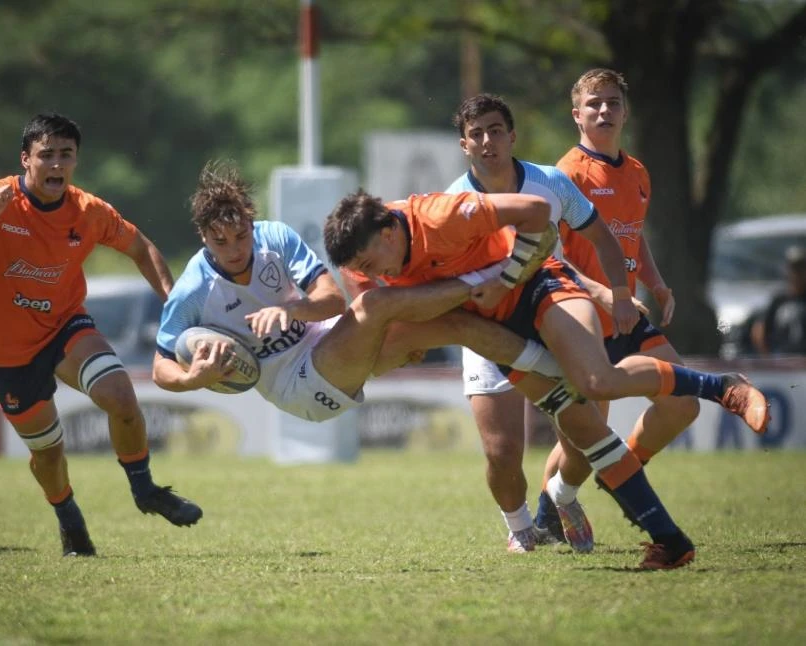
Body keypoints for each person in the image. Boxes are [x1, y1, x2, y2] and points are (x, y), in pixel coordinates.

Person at [324, 187, 770, 569]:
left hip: (539, 287)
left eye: (371, 262)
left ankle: (722, 386)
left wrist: (507, 279)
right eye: (362, 269)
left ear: (389, 232)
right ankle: (671, 543)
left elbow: (537, 211)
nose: (371, 274)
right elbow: (384, 314)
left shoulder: (442, 214)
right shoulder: (362, 260)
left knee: (596, 381)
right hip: (498, 335)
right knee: (587, 434)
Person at [0, 113, 202, 557]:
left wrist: (174, 311)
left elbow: (141, 248)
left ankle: (146, 490)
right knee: (48, 453)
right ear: (26, 159)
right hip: (8, 353)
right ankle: (69, 519)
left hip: (65, 327)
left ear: (76, 160)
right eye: (47, 155)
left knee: (122, 397)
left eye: (67, 154)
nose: (57, 164)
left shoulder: (88, 211)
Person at [153, 160, 565, 426]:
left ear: (251, 219)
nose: (235, 249)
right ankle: (494, 274)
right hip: (297, 385)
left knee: (458, 324)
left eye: (241, 235)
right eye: (220, 241)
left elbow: (333, 301)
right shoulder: (193, 288)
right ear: (202, 236)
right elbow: (160, 367)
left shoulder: (274, 237)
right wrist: (192, 379)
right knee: (374, 303)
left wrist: (292, 310)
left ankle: (559, 377)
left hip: (330, 339)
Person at [443, 92, 643, 553]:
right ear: (464, 144)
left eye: (496, 131)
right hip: (488, 331)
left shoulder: (549, 182)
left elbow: (602, 238)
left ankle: (562, 495)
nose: (488, 141)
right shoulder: (453, 202)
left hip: (553, 317)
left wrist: (617, 294)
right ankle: (520, 529)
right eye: (477, 134)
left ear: (512, 136)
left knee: (584, 440)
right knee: (501, 452)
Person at [533, 68, 703, 537]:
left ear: (626, 112)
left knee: (683, 403)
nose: (604, 110)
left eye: (612, 102)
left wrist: (658, 284)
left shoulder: (638, 172)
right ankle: (544, 517)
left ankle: (621, 472)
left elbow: (633, 236)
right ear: (577, 115)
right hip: (581, 321)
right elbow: (548, 254)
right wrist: (605, 293)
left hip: (627, 316)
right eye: (594, 104)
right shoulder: (566, 174)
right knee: (583, 441)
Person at [750, 245, 806, 355]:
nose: (798, 274)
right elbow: (759, 331)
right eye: (794, 269)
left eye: (802, 269)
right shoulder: (779, 301)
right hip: (782, 359)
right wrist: (768, 357)